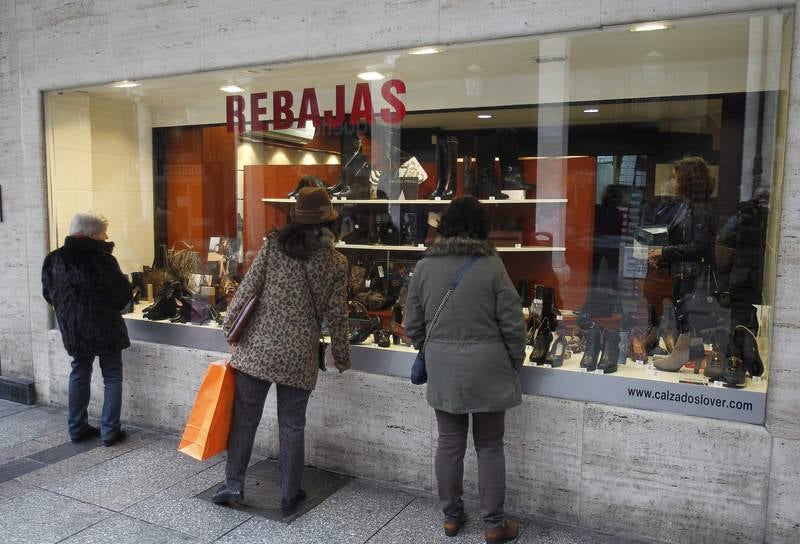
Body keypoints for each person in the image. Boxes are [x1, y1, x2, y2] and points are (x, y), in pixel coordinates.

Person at [214, 186, 351, 515]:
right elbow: (338, 315)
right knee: (292, 425)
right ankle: (290, 493)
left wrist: (229, 327)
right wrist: (342, 355)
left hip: (258, 349)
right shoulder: (336, 262)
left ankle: (233, 485)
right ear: (329, 222)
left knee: (245, 421)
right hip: (299, 354)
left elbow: (248, 289)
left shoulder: (274, 247)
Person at [404, 196, 526, 543]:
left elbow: (412, 324)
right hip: (489, 366)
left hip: (443, 368)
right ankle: (493, 524)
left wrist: (431, 347)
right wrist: (513, 361)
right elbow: (512, 324)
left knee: (449, 443)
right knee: (489, 445)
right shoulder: (491, 266)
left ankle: (452, 518)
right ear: (481, 228)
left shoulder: (425, 267)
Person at [41, 212, 132, 447]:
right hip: (105, 327)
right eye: (103, 233)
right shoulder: (101, 259)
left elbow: (48, 294)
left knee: (79, 371)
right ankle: (110, 430)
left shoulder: (53, 259)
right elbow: (122, 296)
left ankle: (76, 427)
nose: (106, 236)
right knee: (112, 374)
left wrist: (70, 312)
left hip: (73, 328)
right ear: (92, 235)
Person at [648, 157, 716, 332]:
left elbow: (699, 247)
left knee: (689, 325)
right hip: (682, 276)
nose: (673, 182)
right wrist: (662, 256)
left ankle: (687, 354)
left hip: (693, 279)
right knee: (682, 322)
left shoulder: (700, 209)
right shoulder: (685, 206)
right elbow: (681, 241)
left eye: (676, 178)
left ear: (687, 181)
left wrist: (664, 252)